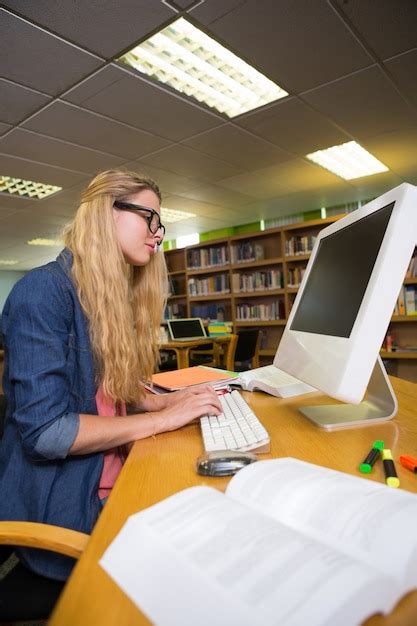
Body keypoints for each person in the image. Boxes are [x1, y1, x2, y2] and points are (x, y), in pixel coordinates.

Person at [0, 170, 221, 581]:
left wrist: (160, 401)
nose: (158, 233)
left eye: (161, 223)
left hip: (116, 475)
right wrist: (161, 419)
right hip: (66, 506)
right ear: (106, 212)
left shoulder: (106, 295)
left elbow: (101, 391)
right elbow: (47, 433)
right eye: (149, 217)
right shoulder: (44, 291)